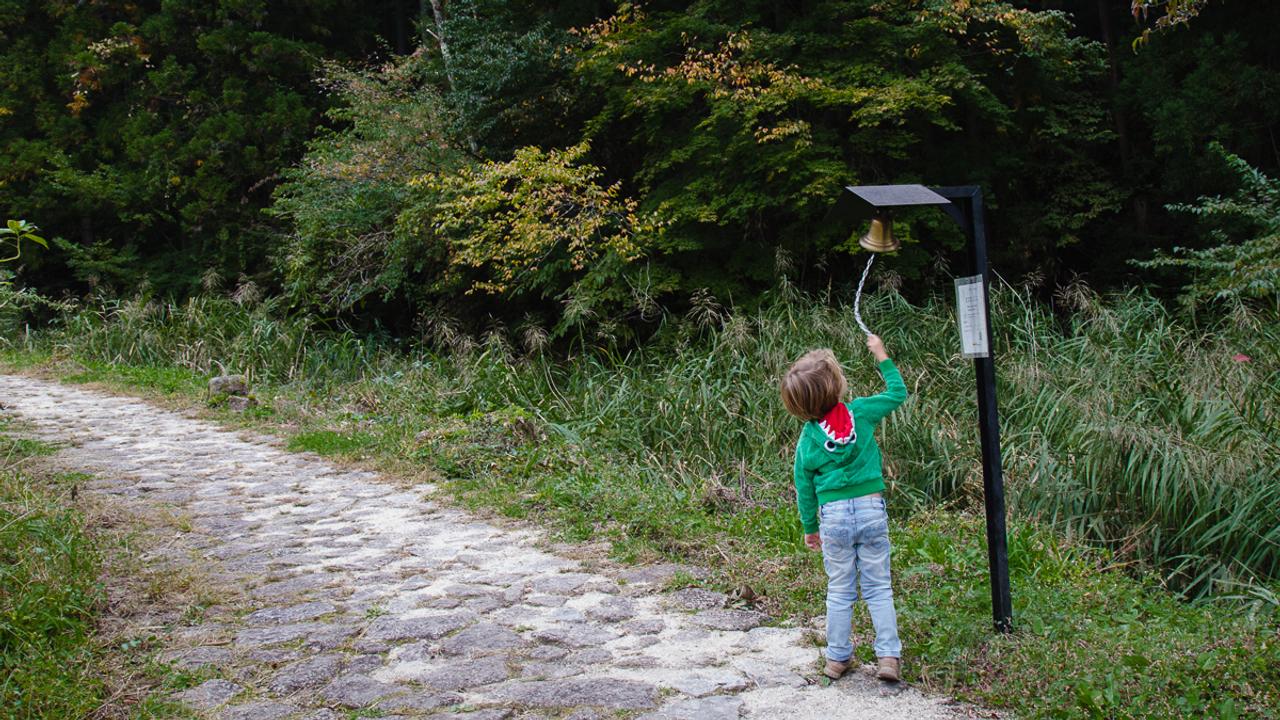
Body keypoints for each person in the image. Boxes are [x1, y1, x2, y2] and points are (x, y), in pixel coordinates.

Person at [779, 334, 907, 682]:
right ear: (836, 386)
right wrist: (881, 354)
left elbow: (804, 486)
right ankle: (888, 658)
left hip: (832, 516)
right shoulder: (861, 411)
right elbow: (898, 393)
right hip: (870, 509)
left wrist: (809, 527)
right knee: (878, 586)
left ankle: (837, 659)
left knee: (839, 588)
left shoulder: (808, 439)